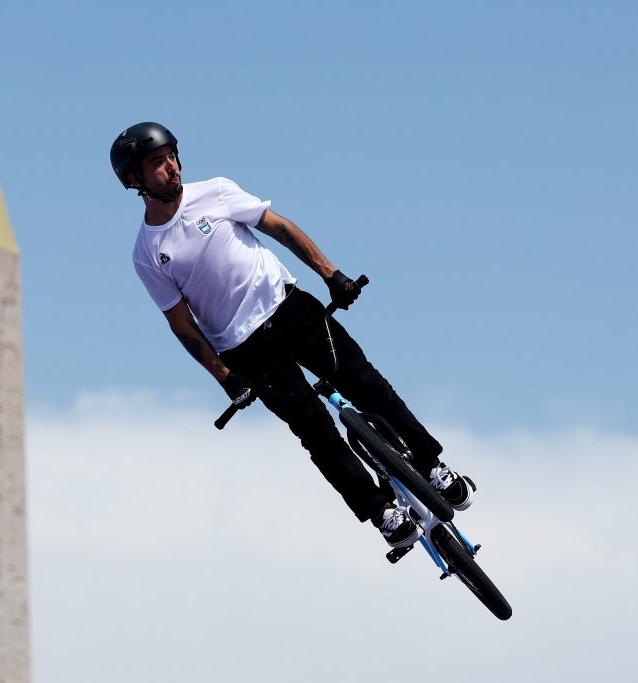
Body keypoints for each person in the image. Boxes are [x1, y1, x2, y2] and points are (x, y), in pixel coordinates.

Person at [110, 122, 475, 548]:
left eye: (171, 156)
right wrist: (225, 377)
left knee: (366, 382)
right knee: (316, 432)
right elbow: (181, 323)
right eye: (158, 163)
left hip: (292, 309)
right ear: (135, 180)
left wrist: (331, 274)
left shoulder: (216, 191)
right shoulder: (147, 253)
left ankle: (433, 466)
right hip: (247, 350)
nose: (171, 167)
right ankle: (383, 514)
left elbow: (278, 227)